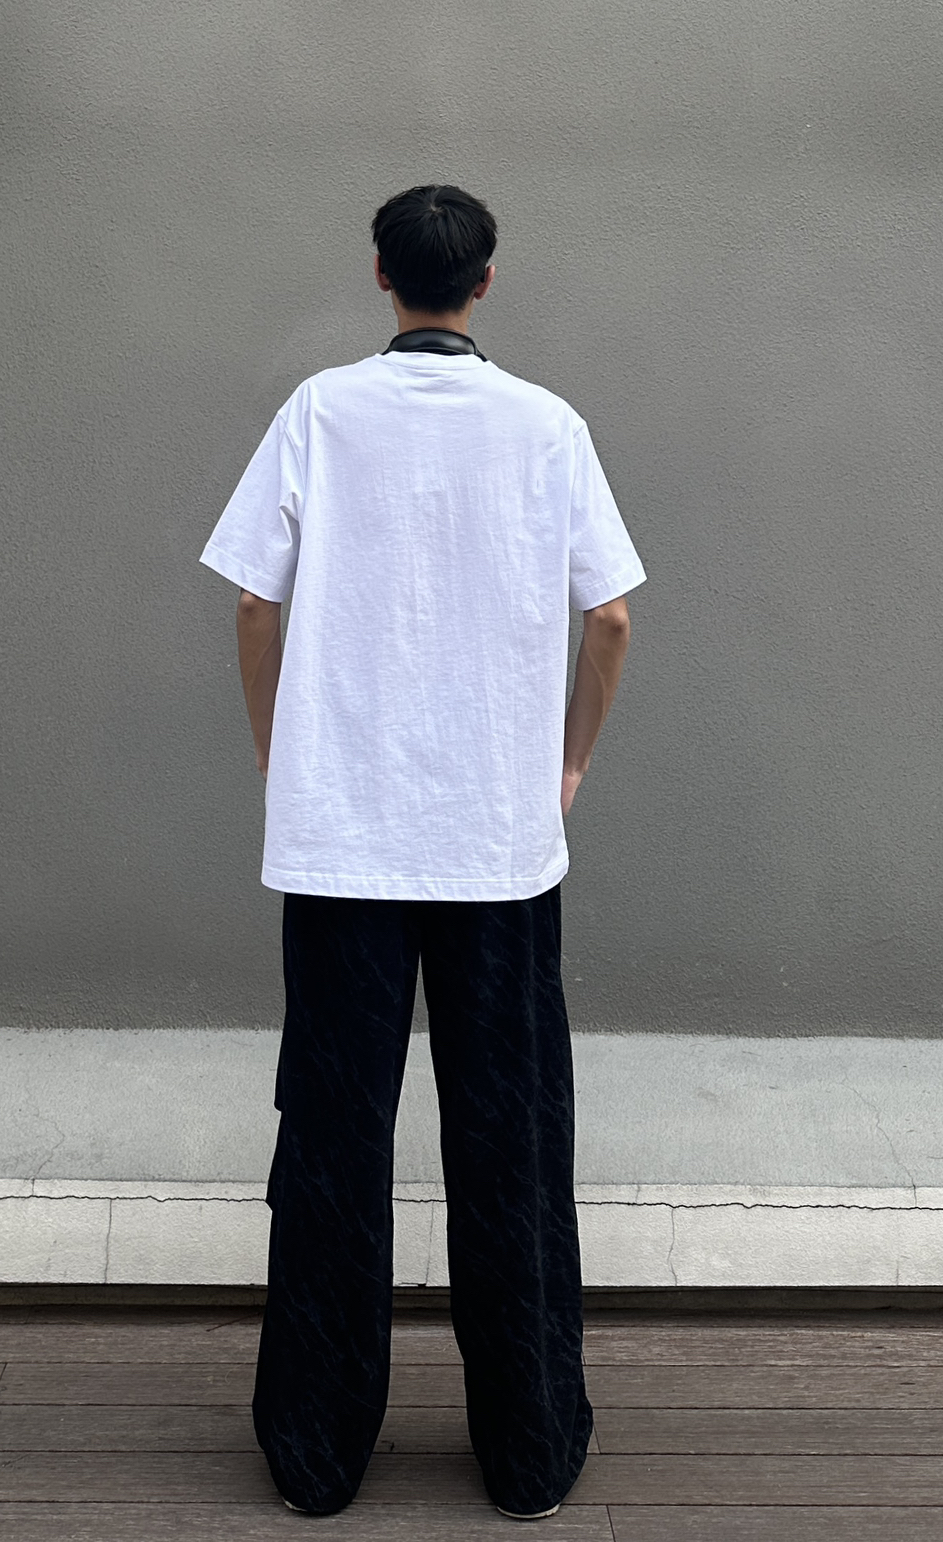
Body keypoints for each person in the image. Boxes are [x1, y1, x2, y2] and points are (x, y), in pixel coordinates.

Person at [199, 183, 644, 1519]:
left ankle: (316, 1454)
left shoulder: (319, 412)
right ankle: (530, 1448)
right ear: (486, 280)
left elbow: (256, 601)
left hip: (345, 840)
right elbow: (612, 618)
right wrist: (567, 764)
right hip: (497, 845)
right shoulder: (547, 425)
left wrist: (281, 751)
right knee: (512, 1139)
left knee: (332, 1140)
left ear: (381, 277)